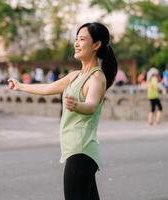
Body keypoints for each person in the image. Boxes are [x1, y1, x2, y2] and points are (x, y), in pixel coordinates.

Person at [8, 22, 118, 200]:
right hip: (78, 151)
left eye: (82, 39)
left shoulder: (96, 77)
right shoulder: (75, 75)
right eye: (76, 39)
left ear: (96, 45)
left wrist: (77, 105)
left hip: (81, 151)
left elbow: (91, 105)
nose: (76, 43)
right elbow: (48, 88)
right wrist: (20, 86)